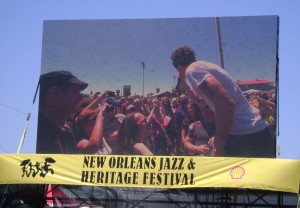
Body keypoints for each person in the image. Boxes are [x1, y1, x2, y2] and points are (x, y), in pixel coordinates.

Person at [171, 45, 275, 157]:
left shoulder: (192, 70)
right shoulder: (202, 66)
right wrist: (184, 84)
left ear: (178, 66)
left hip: (244, 136)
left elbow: (225, 103)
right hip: (252, 131)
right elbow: (201, 102)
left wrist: (219, 143)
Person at [37, 70, 88, 154]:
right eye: (76, 93)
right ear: (54, 93)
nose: (81, 99)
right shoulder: (37, 136)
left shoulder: (66, 132)